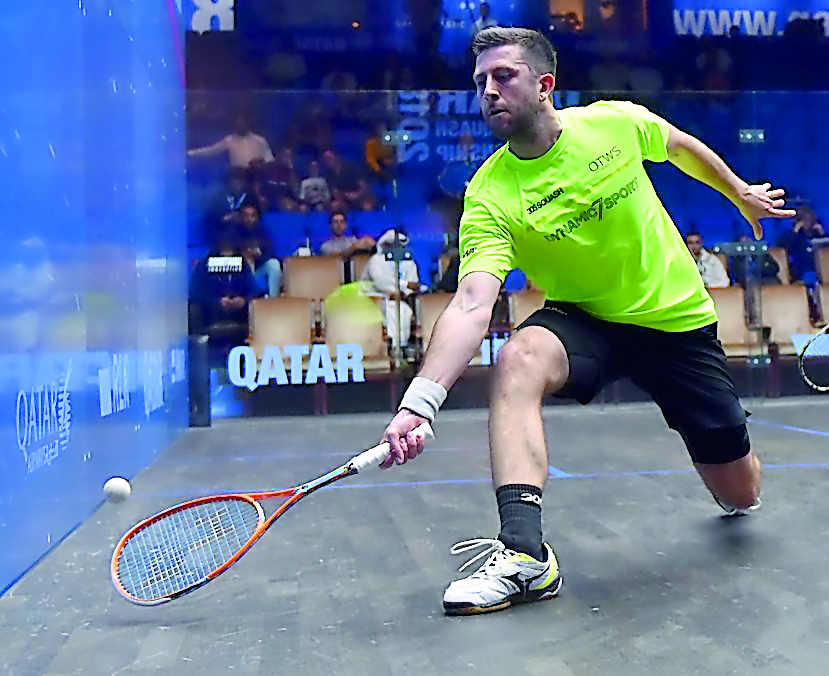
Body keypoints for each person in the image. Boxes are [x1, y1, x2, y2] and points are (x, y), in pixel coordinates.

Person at [378, 27, 796, 616]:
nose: (489, 92)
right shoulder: (491, 194)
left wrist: (738, 194)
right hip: (586, 321)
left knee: (741, 491)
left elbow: (677, 146)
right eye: (480, 83)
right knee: (518, 356)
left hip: (675, 324)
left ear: (545, 84)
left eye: (504, 77)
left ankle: (735, 450)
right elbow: (473, 300)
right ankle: (524, 553)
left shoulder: (613, 123)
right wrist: (419, 403)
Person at [361, 229, 421, 353]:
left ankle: (401, 347)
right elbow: (381, 282)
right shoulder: (376, 261)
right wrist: (404, 286)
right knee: (390, 312)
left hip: (402, 300)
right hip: (376, 300)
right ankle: (392, 348)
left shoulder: (408, 262)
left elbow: (414, 284)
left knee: (405, 312)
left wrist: (404, 292)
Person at [777, 206, 826, 324]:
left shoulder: (817, 234)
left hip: (821, 271)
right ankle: (815, 315)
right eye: (805, 220)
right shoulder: (794, 237)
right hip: (801, 272)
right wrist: (795, 231)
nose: (808, 223)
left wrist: (822, 233)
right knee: (810, 281)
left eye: (810, 220)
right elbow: (781, 246)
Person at [187, 113, 275, 169]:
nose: (241, 126)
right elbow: (211, 150)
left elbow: (270, 159)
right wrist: (190, 153)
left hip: (257, 174)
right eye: (238, 124)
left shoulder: (260, 141)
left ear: (248, 124)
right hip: (238, 176)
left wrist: (260, 162)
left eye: (243, 124)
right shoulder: (229, 140)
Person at [237, 205, 282, 297]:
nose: (249, 219)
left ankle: (273, 301)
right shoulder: (234, 233)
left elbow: (269, 254)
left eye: (252, 216)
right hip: (240, 276)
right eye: (246, 216)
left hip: (257, 271)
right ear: (241, 217)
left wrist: (257, 256)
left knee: (274, 263)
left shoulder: (262, 232)